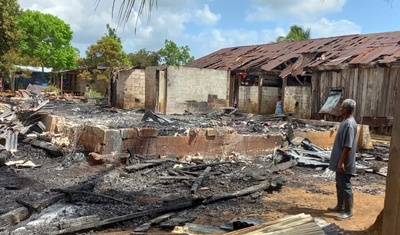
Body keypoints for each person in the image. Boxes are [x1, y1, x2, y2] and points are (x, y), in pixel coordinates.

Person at [327, 99, 357, 220]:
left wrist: (341, 161)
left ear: (345, 110)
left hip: (345, 161)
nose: (339, 109)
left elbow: (347, 146)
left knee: (345, 185)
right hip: (340, 160)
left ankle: (348, 211)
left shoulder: (349, 124)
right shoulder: (345, 121)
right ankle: (340, 205)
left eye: (341, 107)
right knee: (339, 184)